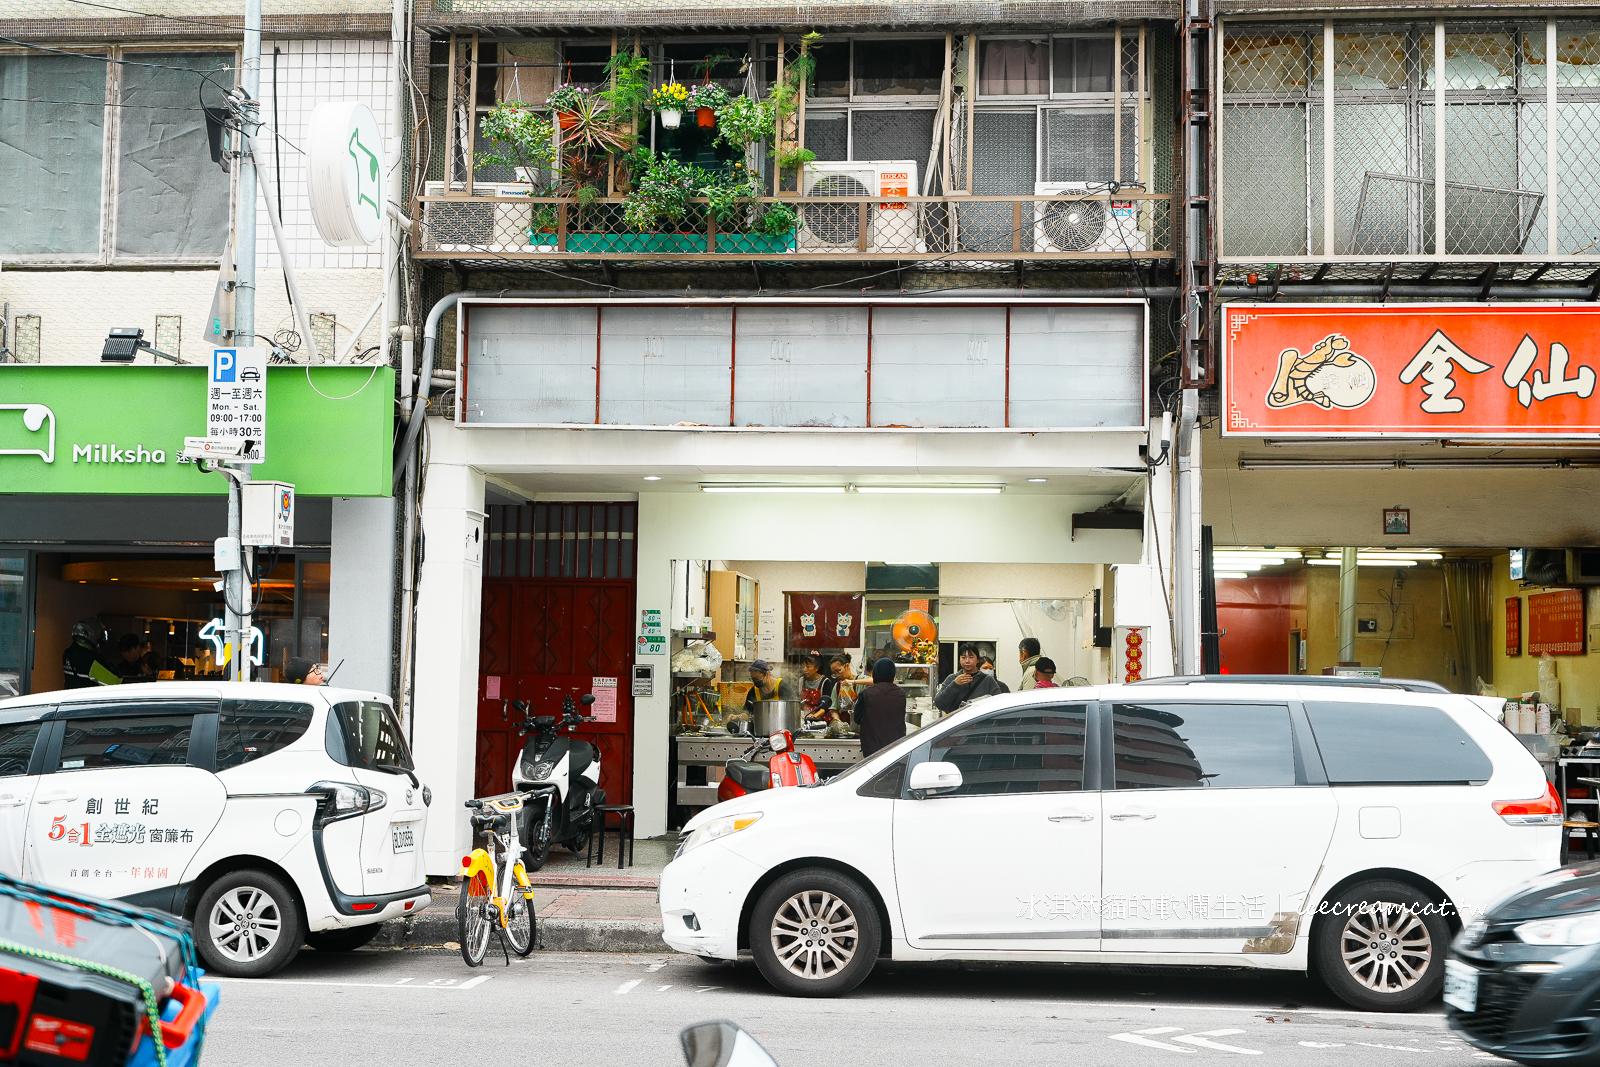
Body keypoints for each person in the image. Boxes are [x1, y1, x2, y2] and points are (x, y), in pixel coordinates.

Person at [853, 657, 907, 756]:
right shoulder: (901, 693)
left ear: (875, 673)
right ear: (893, 674)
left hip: (872, 749)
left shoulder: (866, 693)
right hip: (896, 748)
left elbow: (857, 718)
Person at [935, 643, 1006, 713]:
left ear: (978, 660)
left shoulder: (988, 680)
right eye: (963, 657)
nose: (967, 661)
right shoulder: (952, 678)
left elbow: (998, 704)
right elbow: (939, 704)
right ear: (959, 660)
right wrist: (955, 685)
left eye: (971, 657)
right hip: (957, 722)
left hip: (980, 722)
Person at [63, 619, 119, 688]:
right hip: (88, 698)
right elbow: (116, 681)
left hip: (72, 697)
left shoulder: (68, 653)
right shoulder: (89, 659)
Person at [800, 655, 829, 722]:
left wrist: (814, 716)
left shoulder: (825, 682)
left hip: (821, 720)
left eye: (808, 667)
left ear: (817, 668)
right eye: (803, 666)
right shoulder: (802, 680)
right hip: (805, 718)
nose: (805, 669)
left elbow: (826, 706)